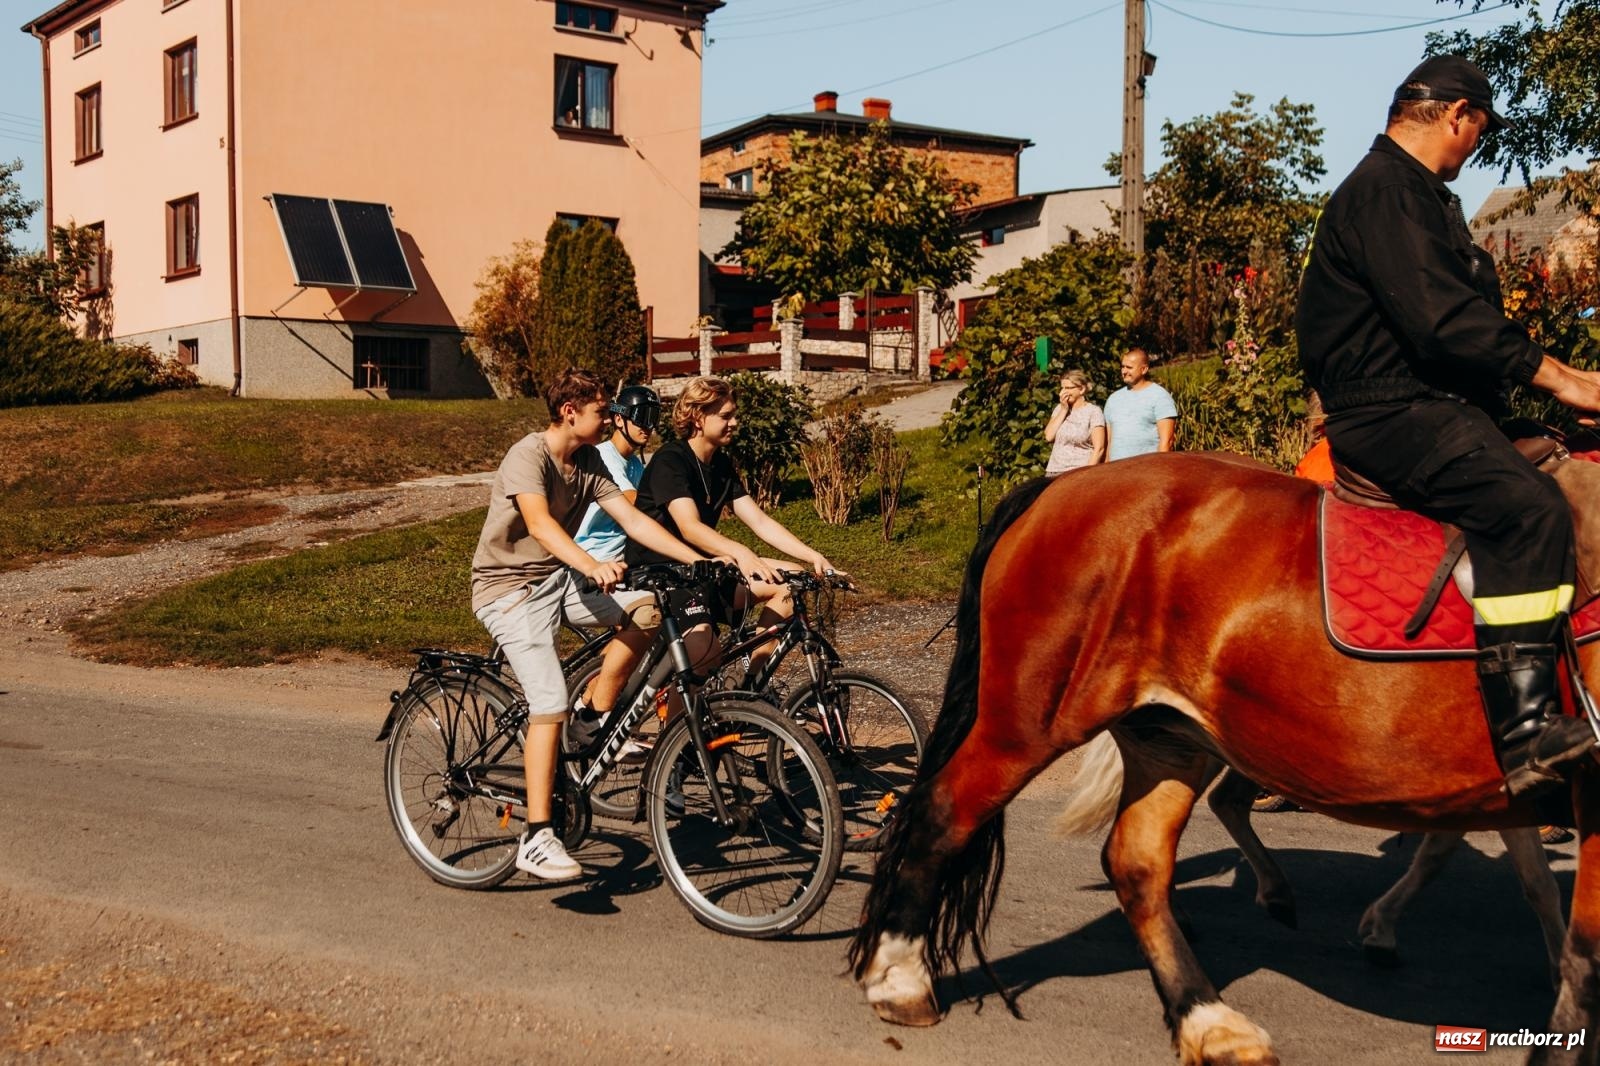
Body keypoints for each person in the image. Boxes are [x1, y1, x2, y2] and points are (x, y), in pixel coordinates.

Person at [1297, 54, 1600, 798]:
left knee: (1567, 460)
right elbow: (1443, 321)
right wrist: (1563, 377)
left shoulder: (1421, 196)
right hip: (1392, 411)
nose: (1476, 146)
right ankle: (1527, 730)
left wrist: (1554, 405)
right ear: (1458, 115)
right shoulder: (1385, 194)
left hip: (1438, 402)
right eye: (1479, 131)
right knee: (1526, 511)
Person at [470, 368, 707, 881]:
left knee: (651, 610)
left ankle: (593, 713)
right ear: (569, 412)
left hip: (557, 582)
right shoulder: (527, 455)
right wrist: (589, 564)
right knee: (547, 702)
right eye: (602, 410)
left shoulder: (590, 460)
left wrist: (694, 560)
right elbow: (539, 524)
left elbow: (634, 520)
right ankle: (536, 835)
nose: (610, 418)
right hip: (508, 591)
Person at [626, 376, 839, 676]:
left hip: (707, 569)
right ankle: (680, 724)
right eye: (725, 416)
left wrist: (813, 556)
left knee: (791, 583)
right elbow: (690, 527)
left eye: (734, 414)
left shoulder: (720, 465)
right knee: (702, 655)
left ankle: (751, 684)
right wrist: (741, 553)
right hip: (665, 573)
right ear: (698, 418)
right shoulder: (671, 461)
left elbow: (759, 521)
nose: (735, 422)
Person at [1103, 348, 1177, 461]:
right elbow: (1110, 443)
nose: (1124, 371)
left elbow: (1167, 441)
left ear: (1144, 369)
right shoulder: (1113, 399)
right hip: (1116, 472)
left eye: (1129, 367)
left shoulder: (1160, 396)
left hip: (1146, 471)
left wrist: (1158, 471)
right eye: (1122, 367)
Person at [1043, 369, 1106, 476]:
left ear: (1081, 389)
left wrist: (1086, 474)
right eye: (1062, 388)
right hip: (1054, 471)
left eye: (1068, 388)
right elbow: (1048, 436)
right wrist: (1063, 410)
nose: (1062, 392)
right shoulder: (1060, 409)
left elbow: (1099, 448)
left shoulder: (1093, 411)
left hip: (1078, 472)